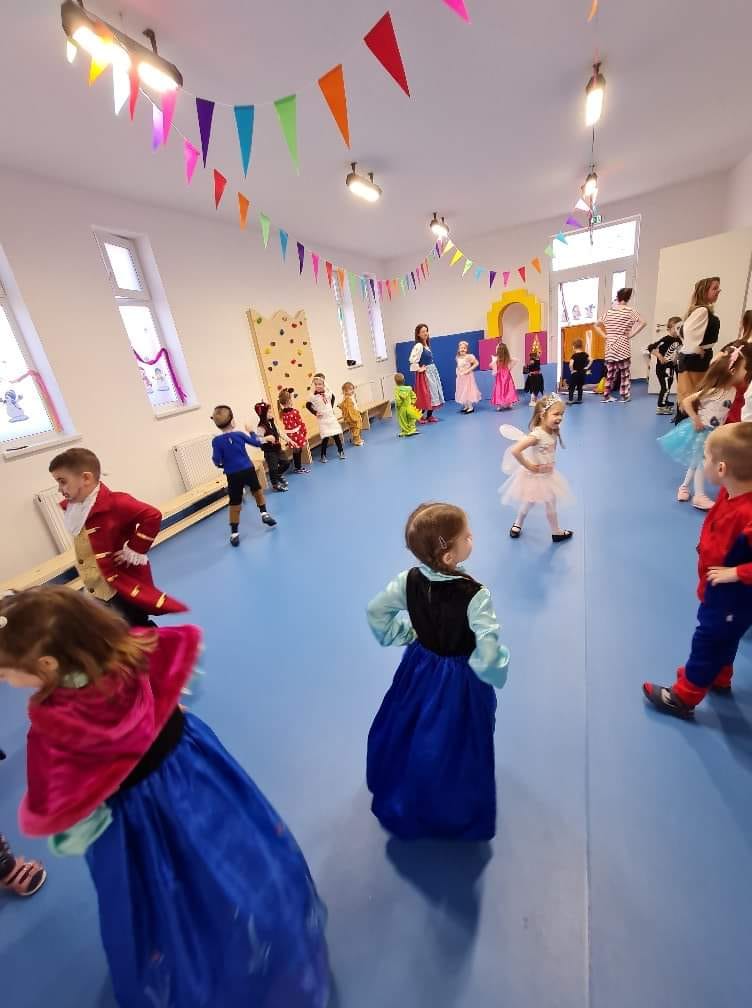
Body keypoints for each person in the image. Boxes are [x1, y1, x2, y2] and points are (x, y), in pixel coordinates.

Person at [0, 587, 329, 1006]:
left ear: (47, 665)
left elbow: (67, 800)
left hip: (136, 818)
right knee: (222, 854)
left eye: (7, 673)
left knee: (162, 888)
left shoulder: (55, 723)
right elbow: (187, 672)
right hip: (195, 776)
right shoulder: (132, 653)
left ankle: (195, 956)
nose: (7, 681)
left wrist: (76, 833)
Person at [365, 503, 509, 840]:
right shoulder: (475, 595)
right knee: (459, 735)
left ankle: (408, 784)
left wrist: (406, 634)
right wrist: (493, 671)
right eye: (467, 536)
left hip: (420, 667)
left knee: (411, 721)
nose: (472, 538)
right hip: (460, 679)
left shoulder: (407, 581)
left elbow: (376, 612)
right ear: (448, 556)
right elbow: (488, 650)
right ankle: (451, 806)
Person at [643, 424, 752, 719]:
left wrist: (737, 573)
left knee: (709, 641)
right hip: (718, 589)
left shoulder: (748, 512)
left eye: (705, 458)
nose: (702, 462)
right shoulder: (730, 493)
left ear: (721, 468)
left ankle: (683, 696)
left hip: (732, 597)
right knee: (726, 637)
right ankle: (720, 677)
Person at [48, 448, 187, 628]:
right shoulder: (76, 508)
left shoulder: (117, 503)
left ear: (86, 478)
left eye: (62, 481)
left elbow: (152, 515)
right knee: (109, 628)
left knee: (135, 626)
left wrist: (134, 548)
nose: (59, 489)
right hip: (96, 586)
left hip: (118, 584)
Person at [657, 347, 750, 510]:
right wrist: (696, 419)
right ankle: (699, 496)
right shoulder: (714, 391)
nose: (746, 372)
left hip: (714, 432)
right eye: (744, 368)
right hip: (702, 431)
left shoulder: (733, 391)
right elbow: (686, 402)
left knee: (695, 462)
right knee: (701, 462)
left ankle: (684, 487)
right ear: (733, 371)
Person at [500, 394, 574, 542]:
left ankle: (554, 531)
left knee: (548, 503)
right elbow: (515, 450)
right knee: (530, 501)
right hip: (535, 476)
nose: (560, 418)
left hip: (548, 475)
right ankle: (519, 523)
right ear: (542, 415)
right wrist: (529, 466)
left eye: (562, 414)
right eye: (556, 414)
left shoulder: (553, 430)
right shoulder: (537, 435)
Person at [210, 405, 277, 546]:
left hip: (232, 475)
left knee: (235, 501)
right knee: (257, 490)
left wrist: (221, 464)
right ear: (232, 421)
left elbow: (216, 460)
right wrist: (251, 431)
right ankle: (264, 513)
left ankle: (234, 533)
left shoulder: (216, 441)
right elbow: (256, 443)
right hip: (247, 469)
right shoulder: (239, 435)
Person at [674, 276, 721, 420]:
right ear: (704, 291)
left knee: (688, 397)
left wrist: (694, 348)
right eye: (715, 288)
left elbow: (680, 329)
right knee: (691, 399)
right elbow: (686, 330)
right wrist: (695, 348)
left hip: (694, 359)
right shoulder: (702, 311)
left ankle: (685, 427)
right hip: (695, 360)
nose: (719, 291)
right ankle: (686, 428)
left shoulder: (700, 310)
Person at [597, 287, 646, 403]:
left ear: (618, 298)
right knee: (624, 372)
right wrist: (632, 334)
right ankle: (624, 396)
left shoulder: (609, 312)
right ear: (628, 298)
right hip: (623, 343)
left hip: (610, 345)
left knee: (610, 372)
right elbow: (643, 322)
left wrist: (605, 336)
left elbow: (596, 325)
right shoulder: (630, 311)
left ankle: (606, 396)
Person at [409, 323, 445, 423]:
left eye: (426, 331)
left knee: (433, 394)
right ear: (418, 334)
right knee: (425, 395)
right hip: (425, 374)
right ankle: (419, 416)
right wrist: (419, 369)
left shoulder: (426, 345)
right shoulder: (419, 346)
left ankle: (429, 416)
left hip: (432, 372)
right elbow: (412, 359)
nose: (425, 333)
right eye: (423, 332)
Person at [647, 316, 682, 414]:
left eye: (680, 328)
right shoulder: (666, 340)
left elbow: (678, 351)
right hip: (663, 369)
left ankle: (665, 401)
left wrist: (676, 358)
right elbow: (651, 347)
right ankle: (661, 407)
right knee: (665, 387)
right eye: (676, 328)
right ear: (668, 329)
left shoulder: (679, 340)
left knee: (668, 386)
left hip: (671, 369)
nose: (678, 330)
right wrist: (659, 356)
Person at [306, 374, 345, 462]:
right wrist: (315, 412)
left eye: (320, 384)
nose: (318, 386)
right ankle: (323, 455)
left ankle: (341, 451)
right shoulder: (313, 396)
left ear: (324, 384)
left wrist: (330, 409)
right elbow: (308, 405)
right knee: (325, 437)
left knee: (336, 435)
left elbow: (333, 397)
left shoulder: (328, 393)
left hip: (330, 418)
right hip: (323, 420)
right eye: (316, 384)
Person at [253, 400, 290, 491]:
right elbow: (257, 440)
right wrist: (266, 438)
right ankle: (275, 484)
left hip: (277, 448)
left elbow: (279, 432)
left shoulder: (272, 422)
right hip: (269, 452)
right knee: (273, 468)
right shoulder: (261, 426)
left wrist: (289, 440)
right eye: (269, 412)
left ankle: (278, 475)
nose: (271, 413)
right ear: (263, 415)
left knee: (286, 463)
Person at [724, 310, 752, 424]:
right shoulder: (739, 346)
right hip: (739, 395)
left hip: (737, 395)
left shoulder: (737, 344)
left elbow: (715, 362)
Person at [277, 389, 309, 474]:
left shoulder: (282, 413)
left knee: (296, 450)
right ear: (289, 400)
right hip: (297, 434)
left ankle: (298, 467)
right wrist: (304, 432)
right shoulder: (294, 412)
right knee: (298, 450)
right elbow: (300, 423)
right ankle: (298, 467)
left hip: (290, 435)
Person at [455, 340, 482, 414]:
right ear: (459, 349)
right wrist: (458, 372)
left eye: (464, 348)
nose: (463, 349)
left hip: (468, 377)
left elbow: (476, 363)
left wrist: (469, 370)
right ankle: (466, 406)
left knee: (468, 391)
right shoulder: (458, 357)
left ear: (467, 349)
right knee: (463, 391)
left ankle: (470, 407)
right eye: (461, 348)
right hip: (461, 377)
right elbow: (458, 366)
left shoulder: (469, 357)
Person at [490, 342, 518, 411]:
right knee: (507, 389)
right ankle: (507, 403)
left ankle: (503, 404)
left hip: (501, 377)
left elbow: (492, 366)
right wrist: (509, 368)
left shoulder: (500, 359)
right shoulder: (499, 359)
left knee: (501, 390)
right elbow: (515, 360)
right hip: (505, 376)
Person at [394, 372, 421, 437]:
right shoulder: (409, 389)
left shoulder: (397, 390)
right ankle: (412, 430)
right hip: (409, 407)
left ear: (395, 382)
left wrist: (398, 406)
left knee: (403, 420)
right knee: (411, 419)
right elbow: (413, 396)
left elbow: (398, 400)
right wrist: (412, 402)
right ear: (404, 380)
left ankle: (405, 431)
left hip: (402, 409)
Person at [338, 382, 364, 446]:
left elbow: (353, 406)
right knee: (356, 428)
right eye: (350, 389)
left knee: (357, 428)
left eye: (352, 389)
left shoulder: (349, 397)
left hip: (355, 414)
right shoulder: (347, 399)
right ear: (345, 391)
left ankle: (358, 439)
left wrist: (358, 411)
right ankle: (356, 441)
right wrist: (354, 417)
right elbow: (348, 410)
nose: (352, 391)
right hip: (353, 416)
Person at [567, 339, 590, 404]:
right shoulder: (585, 354)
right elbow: (591, 360)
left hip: (575, 373)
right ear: (581, 346)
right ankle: (579, 399)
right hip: (582, 373)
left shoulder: (574, 355)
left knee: (572, 387)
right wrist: (587, 367)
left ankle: (570, 400)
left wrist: (572, 370)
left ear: (574, 346)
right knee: (580, 387)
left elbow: (570, 364)